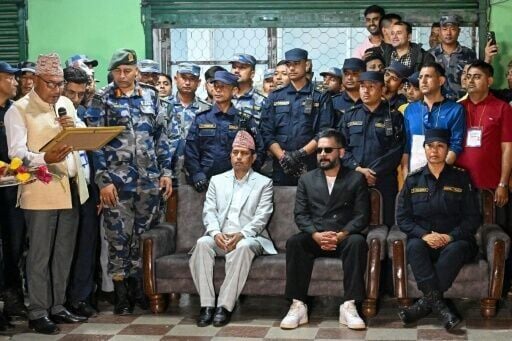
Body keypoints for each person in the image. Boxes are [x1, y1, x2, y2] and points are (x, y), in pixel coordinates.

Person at [5, 53, 90, 334]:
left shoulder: (65, 104)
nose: (57, 90)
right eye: (52, 84)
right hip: (39, 191)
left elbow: (80, 134)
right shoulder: (18, 110)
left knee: (64, 252)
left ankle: (57, 305)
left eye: (59, 84)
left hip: (70, 188)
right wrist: (45, 158)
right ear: (35, 81)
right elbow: (16, 153)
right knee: (40, 255)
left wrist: (74, 129)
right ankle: (38, 311)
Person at [84, 49, 173, 315]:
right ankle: (121, 294)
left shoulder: (150, 96)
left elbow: (162, 138)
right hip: (117, 184)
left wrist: (166, 172)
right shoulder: (101, 99)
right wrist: (103, 181)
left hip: (148, 182)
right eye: (117, 71)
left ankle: (140, 290)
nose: (122, 76)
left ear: (136, 72)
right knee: (118, 238)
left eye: (127, 71)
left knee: (144, 237)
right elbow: (94, 143)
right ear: (111, 73)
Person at [280, 129, 369, 330]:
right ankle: (298, 305)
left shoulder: (356, 179)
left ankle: (350, 305)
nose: (322, 154)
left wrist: (341, 235)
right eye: (319, 150)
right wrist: (315, 234)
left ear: (341, 152)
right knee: (295, 242)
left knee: (358, 242)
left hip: (343, 236)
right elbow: (300, 214)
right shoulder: (307, 179)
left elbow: (361, 216)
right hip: (316, 235)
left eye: (328, 150)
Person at [189, 130, 276, 327]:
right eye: (235, 152)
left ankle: (225, 306)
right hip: (220, 236)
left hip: (249, 237)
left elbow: (262, 216)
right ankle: (207, 305)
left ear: (253, 158)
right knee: (202, 243)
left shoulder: (264, 183)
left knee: (244, 246)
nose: (238, 157)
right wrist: (215, 233)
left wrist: (242, 234)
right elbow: (209, 211)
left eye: (244, 153)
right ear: (230, 155)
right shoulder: (217, 181)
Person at [396, 128, 480, 330]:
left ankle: (423, 306)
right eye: (430, 146)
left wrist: (450, 237)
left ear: (447, 149)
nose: (434, 151)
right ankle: (440, 307)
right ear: (424, 149)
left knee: (457, 248)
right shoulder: (413, 179)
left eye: (440, 146)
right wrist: (424, 235)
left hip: (455, 241)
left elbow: (472, 218)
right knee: (414, 247)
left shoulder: (461, 178)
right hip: (424, 240)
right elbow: (403, 218)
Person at [338, 71, 404, 228]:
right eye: (362, 86)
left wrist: (372, 172)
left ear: (382, 89)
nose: (365, 91)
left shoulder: (393, 117)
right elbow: (340, 147)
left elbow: (397, 149)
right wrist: (359, 169)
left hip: (384, 180)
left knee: (385, 224)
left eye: (371, 87)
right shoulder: (350, 116)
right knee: (353, 225)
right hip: (353, 178)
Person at [260, 48, 334, 186]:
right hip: (281, 166)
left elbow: (324, 132)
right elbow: (266, 132)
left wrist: (299, 154)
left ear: (306, 65)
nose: (292, 68)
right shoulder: (275, 96)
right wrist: (283, 157)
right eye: (288, 64)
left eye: (296, 64)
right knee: (283, 205)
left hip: (311, 165)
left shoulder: (320, 96)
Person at [62, 66, 100, 318]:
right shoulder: (55, 113)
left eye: (80, 94)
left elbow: (90, 154)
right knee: (66, 247)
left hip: (86, 188)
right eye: (71, 92)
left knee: (87, 243)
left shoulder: (82, 114)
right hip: (63, 189)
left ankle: (82, 297)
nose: (75, 98)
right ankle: (63, 299)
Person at [185, 70, 264, 192]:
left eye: (223, 87)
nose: (217, 90)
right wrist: (197, 175)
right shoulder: (202, 119)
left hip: (238, 183)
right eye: (215, 86)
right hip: (206, 182)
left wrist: (249, 174)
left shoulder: (244, 120)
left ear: (234, 91)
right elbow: (191, 151)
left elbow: (259, 149)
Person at [455, 61, 512, 229]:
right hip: (460, 185)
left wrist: (503, 183)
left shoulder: (502, 108)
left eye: (477, 77)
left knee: (493, 233)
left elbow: (508, 148)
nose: (471, 81)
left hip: (491, 185)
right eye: (468, 77)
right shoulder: (457, 108)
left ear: (489, 81)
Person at [401, 62, 465, 176]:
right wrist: (405, 172)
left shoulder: (455, 109)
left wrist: (438, 171)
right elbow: (406, 145)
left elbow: (456, 144)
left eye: (428, 76)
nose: (423, 81)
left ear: (441, 81)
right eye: (420, 77)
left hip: (443, 175)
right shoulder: (410, 110)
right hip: (415, 177)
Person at [0, 61, 27, 324]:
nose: (15, 82)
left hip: (12, 190)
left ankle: (12, 300)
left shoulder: (13, 110)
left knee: (14, 247)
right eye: (9, 78)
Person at [168, 63, 210, 186]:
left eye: (192, 79)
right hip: (167, 172)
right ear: (176, 79)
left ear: (198, 82)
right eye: (184, 78)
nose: (187, 82)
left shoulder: (206, 109)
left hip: (196, 174)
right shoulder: (163, 106)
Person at [428, 15, 476, 100]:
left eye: (453, 29)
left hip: (462, 103)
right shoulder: (429, 54)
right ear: (440, 31)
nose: (448, 33)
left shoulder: (469, 54)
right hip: (437, 104)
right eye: (445, 29)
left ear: (459, 31)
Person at [230, 53, 267, 123]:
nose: (236, 71)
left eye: (242, 68)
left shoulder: (262, 101)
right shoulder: (224, 97)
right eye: (234, 67)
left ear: (252, 74)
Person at [332, 58, 365, 124]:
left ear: (364, 75)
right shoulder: (333, 102)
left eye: (354, 74)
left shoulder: (370, 101)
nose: (349, 77)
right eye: (346, 74)